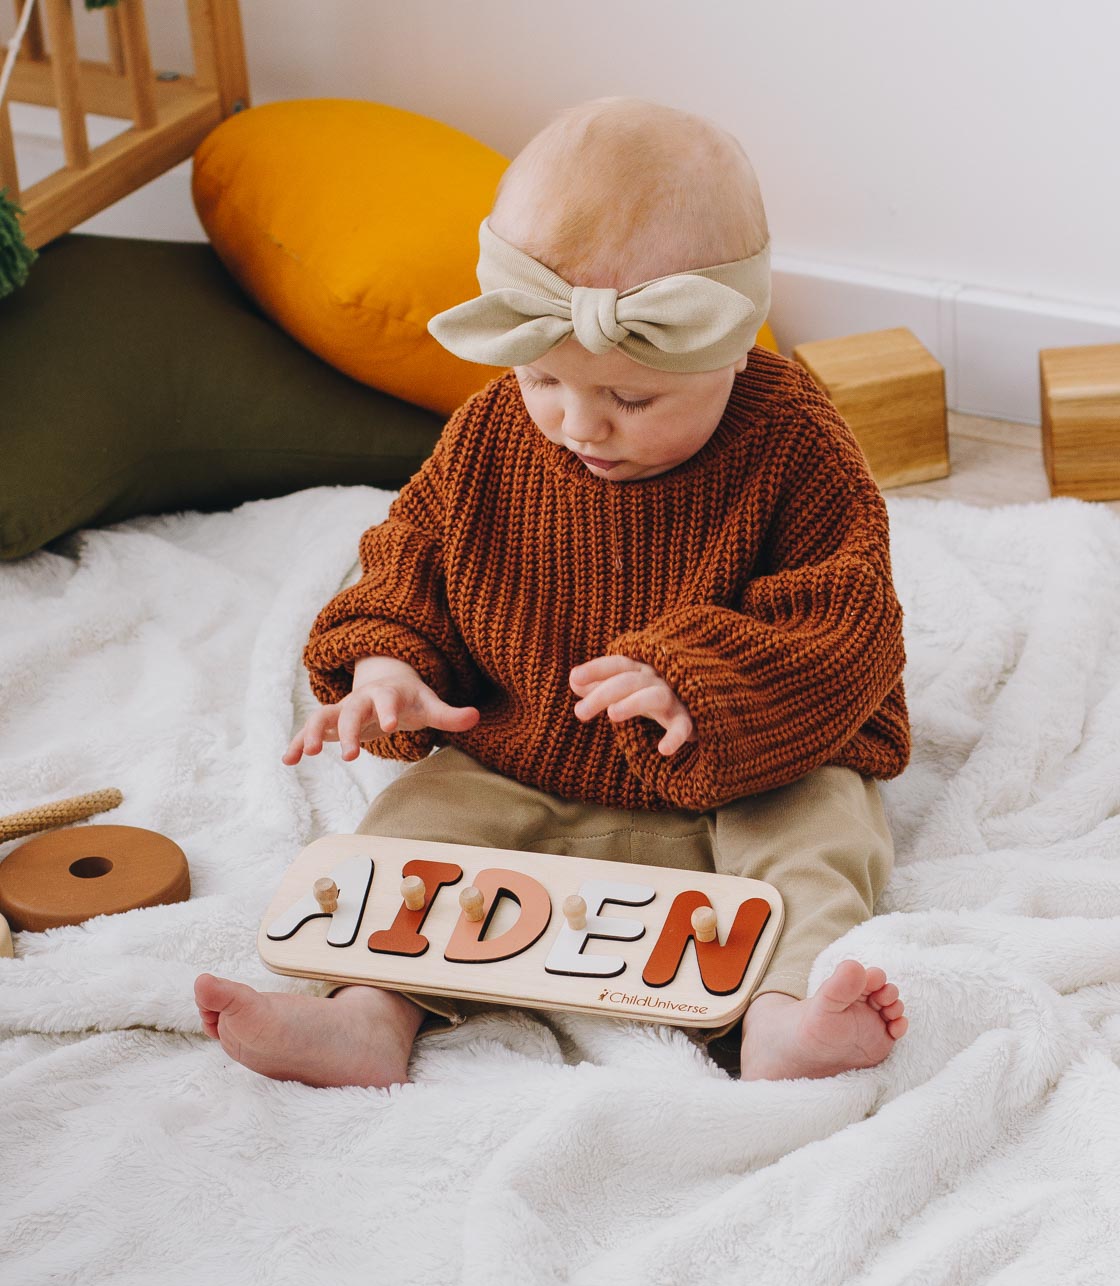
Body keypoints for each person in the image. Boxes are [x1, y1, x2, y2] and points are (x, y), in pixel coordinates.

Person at [195, 96, 911, 1088]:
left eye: (632, 397)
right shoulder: (492, 431)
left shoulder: (794, 440)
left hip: (742, 764)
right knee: (408, 829)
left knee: (821, 834)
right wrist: (389, 664)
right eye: (545, 381)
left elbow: (848, 619)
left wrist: (698, 685)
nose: (582, 424)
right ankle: (364, 1015)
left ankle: (785, 1017)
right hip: (519, 752)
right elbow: (412, 552)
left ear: (734, 339)